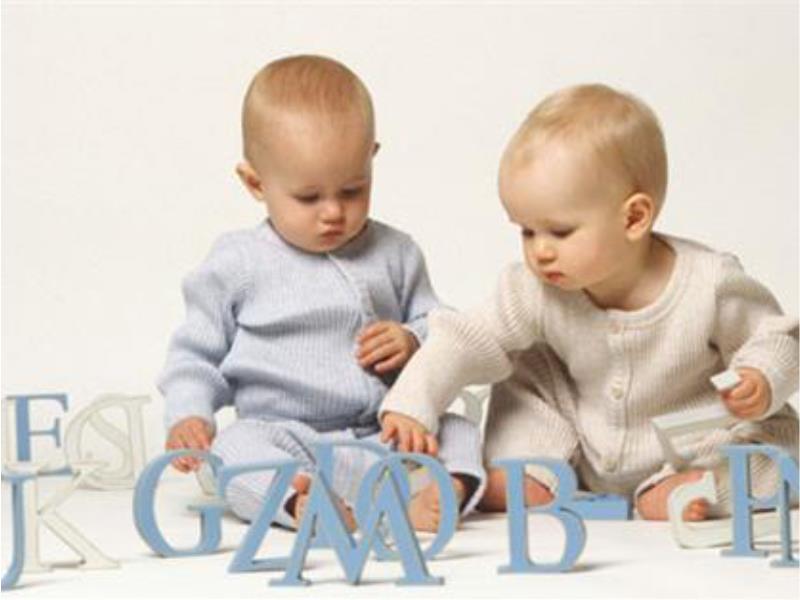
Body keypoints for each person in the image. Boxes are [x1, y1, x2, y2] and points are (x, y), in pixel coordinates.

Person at [379, 83, 798, 521]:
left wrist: (761, 376)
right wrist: (413, 403)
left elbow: (776, 337)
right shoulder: (534, 288)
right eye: (526, 231)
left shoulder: (708, 284)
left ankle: (700, 487)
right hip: (585, 442)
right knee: (526, 368)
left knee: (773, 452)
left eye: (560, 232)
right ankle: (531, 470)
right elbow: (464, 338)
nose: (540, 251)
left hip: (697, 441)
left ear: (633, 218)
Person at [158, 55, 485, 532]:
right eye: (308, 197)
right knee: (233, 449)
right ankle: (301, 502)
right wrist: (190, 414)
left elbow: (445, 330)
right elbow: (195, 353)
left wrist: (412, 339)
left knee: (457, 428)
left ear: (371, 159)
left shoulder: (395, 252)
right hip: (286, 438)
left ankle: (440, 492)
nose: (333, 212)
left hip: (383, 432)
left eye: (352, 190)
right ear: (255, 183)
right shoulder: (238, 262)